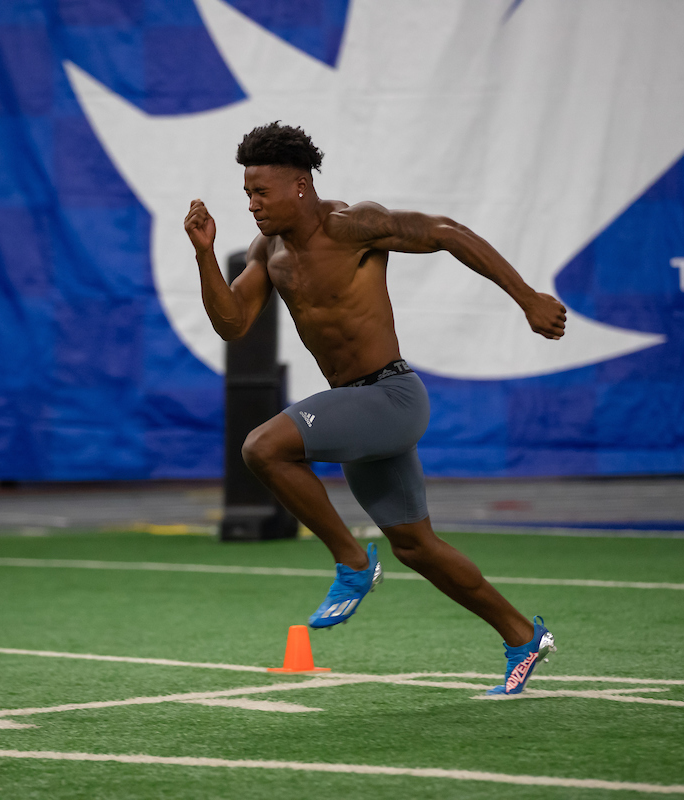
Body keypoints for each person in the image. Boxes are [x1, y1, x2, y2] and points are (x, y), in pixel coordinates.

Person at [184, 122, 567, 695]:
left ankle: (353, 563)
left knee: (262, 447)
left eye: (261, 192)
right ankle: (522, 636)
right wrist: (206, 254)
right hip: (356, 408)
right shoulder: (270, 253)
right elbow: (233, 324)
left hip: (391, 397)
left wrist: (527, 297)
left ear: (300, 186)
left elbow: (447, 231)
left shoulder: (352, 226)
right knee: (416, 546)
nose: (252, 204)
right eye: (246, 193)